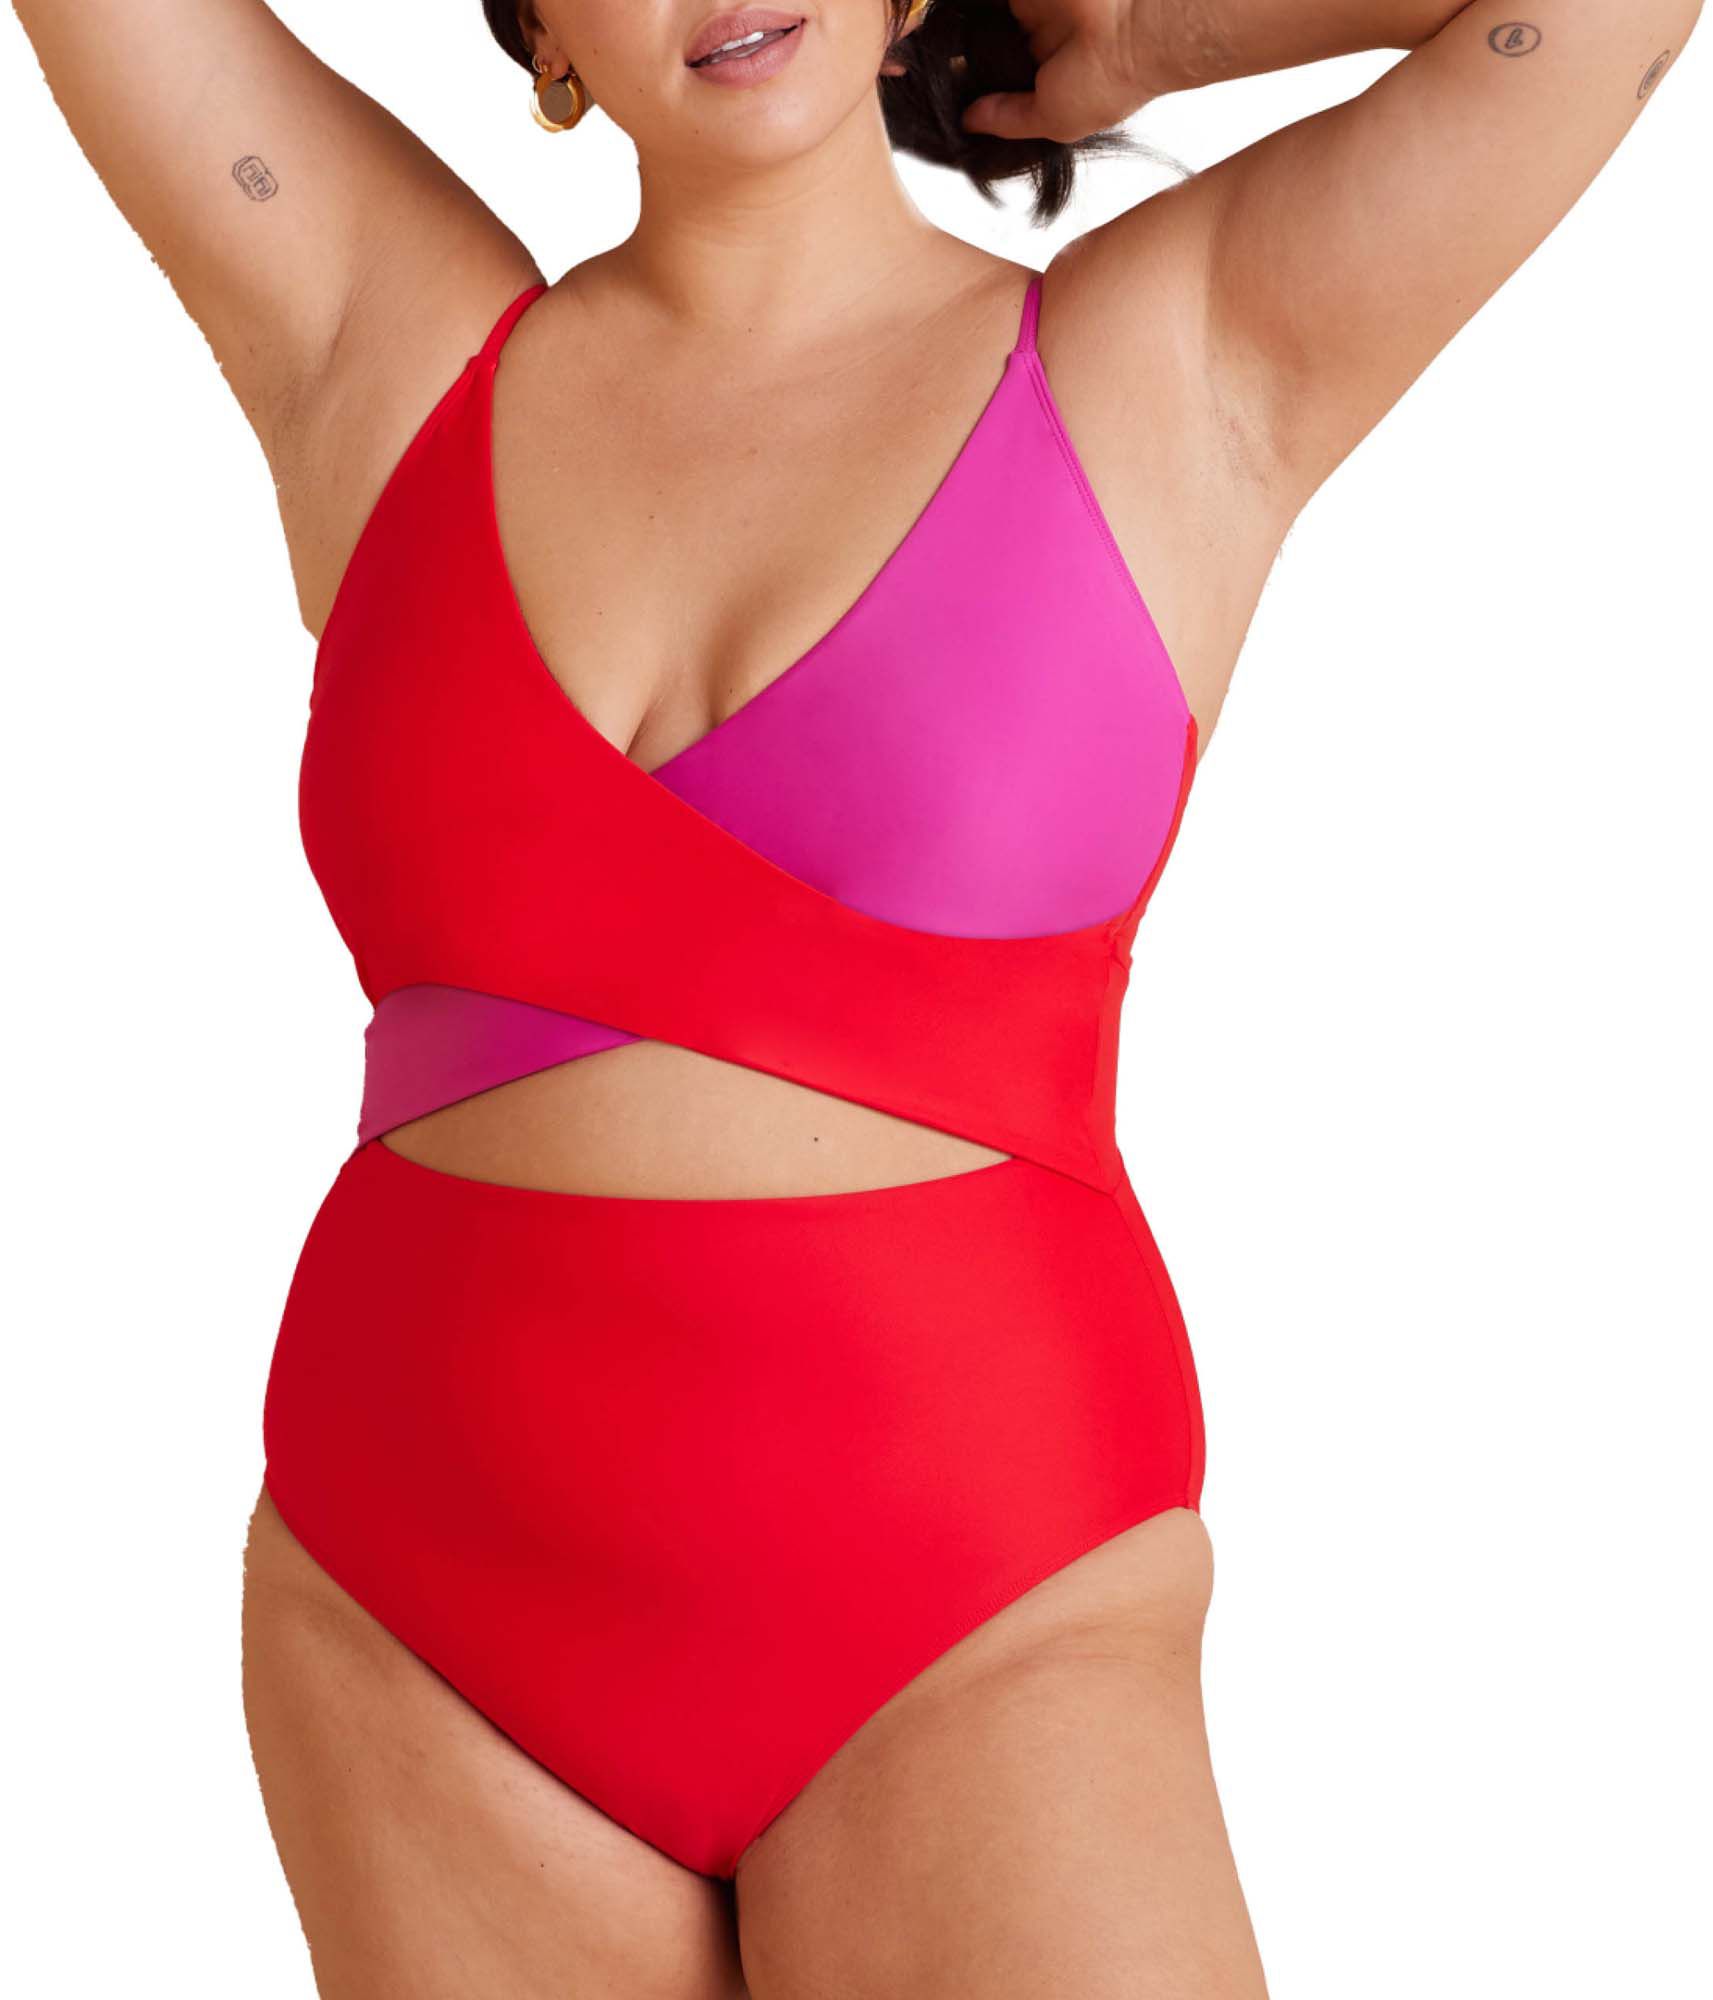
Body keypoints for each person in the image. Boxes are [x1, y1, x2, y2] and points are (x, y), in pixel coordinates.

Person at [12, 1, 1698, 1993]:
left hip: (974, 1606)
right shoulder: (384, 347)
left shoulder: (1172, 354)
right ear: (539, 24)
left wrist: (1161, 37)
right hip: (420, 1618)